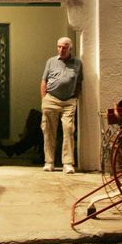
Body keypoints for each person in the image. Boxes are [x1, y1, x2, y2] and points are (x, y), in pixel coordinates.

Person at [40, 37, 83, 174]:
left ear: (70, 48)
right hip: (51, 99)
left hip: (68, 102)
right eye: (59, 46)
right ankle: (49, 161)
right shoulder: (51, 61)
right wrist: (44, 99)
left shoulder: (77, 63)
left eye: (64, 47)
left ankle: (68, 163)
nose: (61, 49)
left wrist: (74, 98)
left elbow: (79, 83)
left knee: (68, 129)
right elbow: (44, 81)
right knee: (48, 131)